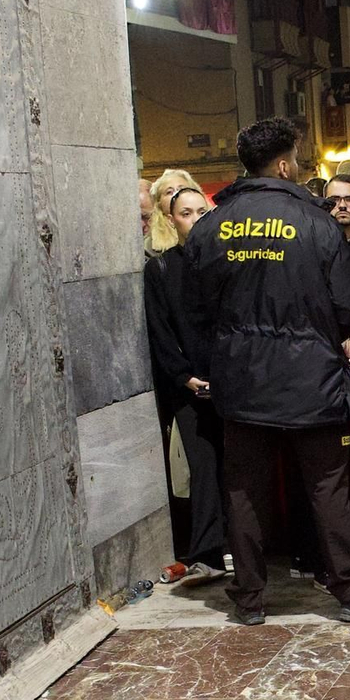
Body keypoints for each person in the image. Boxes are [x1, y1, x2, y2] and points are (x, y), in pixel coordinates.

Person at [180, 116, 350, 626]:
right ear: (283, 164)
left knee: (244, 492)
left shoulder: (213, 227)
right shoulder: (317, 223)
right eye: (298, 158)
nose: (299, 166)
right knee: (327, 488)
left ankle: (250, 598)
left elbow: (195, 310)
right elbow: (347, 308)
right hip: (311, 378)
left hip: (241, 381)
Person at [143, 180, 226, 584]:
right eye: (185, 213)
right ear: (170, 220)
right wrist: (184, 377)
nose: (195, 220)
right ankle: (207, 552)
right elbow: (159, 330)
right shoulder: (161, 268)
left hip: (232, 379)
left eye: (201, 212)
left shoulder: (227, 261)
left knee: (241, 467)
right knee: (204, 467)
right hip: (190, 385)